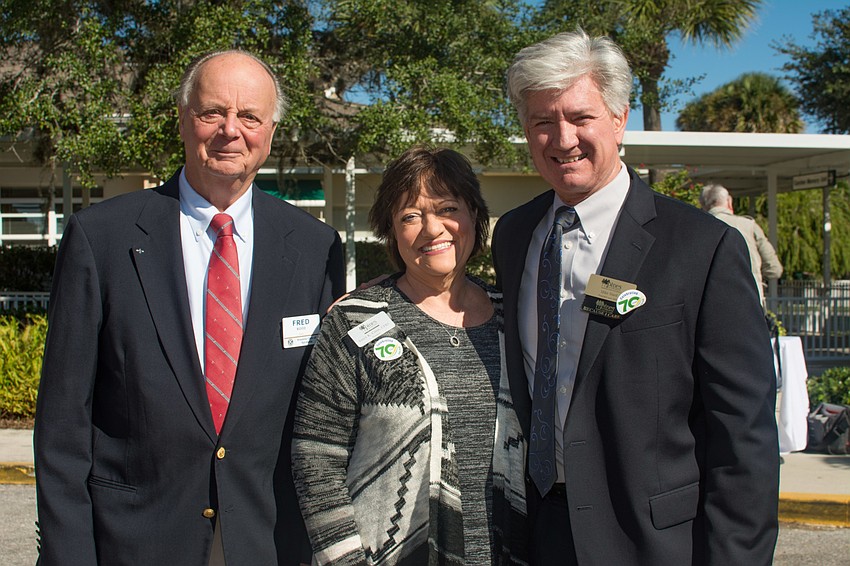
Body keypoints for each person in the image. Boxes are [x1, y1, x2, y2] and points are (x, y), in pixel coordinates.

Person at [33, 50, 345, 565]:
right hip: (136, 540)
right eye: (212, 112)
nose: (231, 130)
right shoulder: (102, 238)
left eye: (250, 116)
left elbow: (326, 411)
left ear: (270, 133)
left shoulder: (316, 247)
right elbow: (63, 425)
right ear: (182, 119)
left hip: (269, 541)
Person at [491, 29, 779, 565]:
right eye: (543, 122)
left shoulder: (703, 247)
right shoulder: (513, 234)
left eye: (580, 117)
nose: (562, 139)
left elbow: (743, 435)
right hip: (539, 533)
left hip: (653, 543)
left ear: (620, 118)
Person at [291, 146, 528, 565]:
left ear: (474, 215)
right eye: (410, 216)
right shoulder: (354, 321)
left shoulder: (515, 317)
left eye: (448, 208)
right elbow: (316, 458)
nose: (432, 229)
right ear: (392, 231)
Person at [700, 183, 784, 307]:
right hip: (751, 302)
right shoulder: (748, 225)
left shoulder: (698, 229)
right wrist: (754, 274)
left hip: (710, 304)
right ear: (729, 202)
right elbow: (774, 269)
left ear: (702, 205)